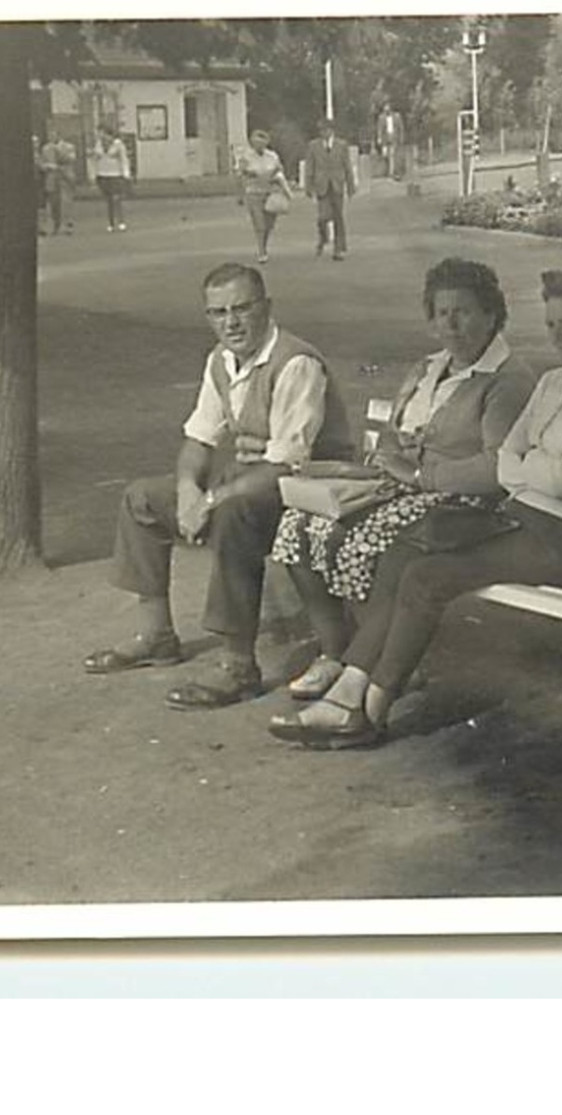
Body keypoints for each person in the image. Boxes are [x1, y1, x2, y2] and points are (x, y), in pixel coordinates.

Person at [269, 269, 562, 749]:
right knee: (405, 555)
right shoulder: (555, 382)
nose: (558, 335)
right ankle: (351, 688)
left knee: (430, 578)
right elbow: (516, 456)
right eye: (552, 324)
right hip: (527, 521)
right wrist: (532, 465)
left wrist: (525, 466)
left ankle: (368, 707)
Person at [82, 263, 355, 711]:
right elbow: (198, 439)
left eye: (242, 309)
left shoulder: (296, 362)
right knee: (142, 498)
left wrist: (211, 500)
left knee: (233, 512)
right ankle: (156, 636)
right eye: (218, 312)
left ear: (266, 308)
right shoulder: (220, 361)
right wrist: (190, 489)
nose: (231, 322)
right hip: (252, 484)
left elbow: (287, 463)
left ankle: (238, 666)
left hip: (310, 490)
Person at [268, 257, 535, 702]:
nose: (451, 323)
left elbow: (497, 469)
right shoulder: (428, 368)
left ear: (491, 314)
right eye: (441, 312)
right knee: (298, 527)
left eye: (464, 311)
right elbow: (392, 435)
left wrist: (419, 473)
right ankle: (336, 652)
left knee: (370, 538)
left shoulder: (506, 381)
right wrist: (392, 457)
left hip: (465, 504)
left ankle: (370, 661)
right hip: (404, 490)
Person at [236, 129, 294, 264]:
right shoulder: (246, 157)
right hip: (253, 193)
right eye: (256, 143)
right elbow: (240, 175)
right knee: (259, 224)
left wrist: (283, 188)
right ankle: (262, 251)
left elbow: (280, 172)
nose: (259, 146)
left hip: (270, 193)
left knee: (269, 224)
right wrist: (240, 194)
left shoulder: (272, 156)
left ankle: (264, 244)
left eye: (262, 143)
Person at [305, 117, 355, 260]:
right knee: (323, 217)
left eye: (326, 130)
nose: (323, 133)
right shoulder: (313, 146)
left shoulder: (341, 145)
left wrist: (350, 186)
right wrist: (308, 186)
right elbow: (310, 167)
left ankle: (339, 249)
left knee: (338, 217)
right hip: (322, 185)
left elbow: (347, 166)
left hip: (337, 184)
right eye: (321, 130)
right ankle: (323, 236)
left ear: (332, 130)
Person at [92, 125, 132, 232]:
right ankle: (111, 223)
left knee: (116, 198)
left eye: (101, 132)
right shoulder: (98, 144)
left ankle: (121, 221)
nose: (100, 135)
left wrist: (126, 174)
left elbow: (124, 159)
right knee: (108, 200)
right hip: (103, 174)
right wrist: (95, 174)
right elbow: (95, 159)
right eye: (99, 133)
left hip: (115, 174)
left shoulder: (118, 144)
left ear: (108, 133)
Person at [39, 132, 78, 236]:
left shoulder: (69, 147)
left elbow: (71, 159)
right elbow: (41, 163)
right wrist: (47, 166)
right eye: (50, 136)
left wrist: (58, 150)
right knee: (53, 203)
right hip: (52, 177)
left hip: (65, 177)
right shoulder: (45, 148)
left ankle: (68, 225)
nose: (51, 137)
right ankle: (55, 225)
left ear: (59, 136)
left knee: (66, 202)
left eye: (53, 135)